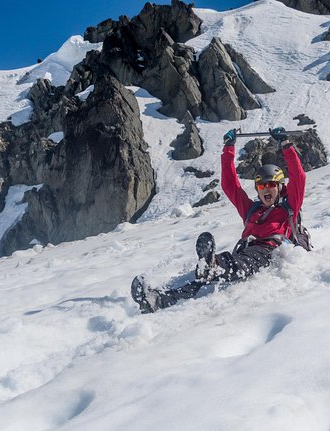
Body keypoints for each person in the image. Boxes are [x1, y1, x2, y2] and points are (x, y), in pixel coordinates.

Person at [131, 127, 306, 313]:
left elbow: (299, 178)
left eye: (270, 184)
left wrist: (286, 146)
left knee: (236, 263)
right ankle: (159, 300)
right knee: (201, 281)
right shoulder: (252, 210)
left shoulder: (289, 207)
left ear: (280, 187)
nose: (265, 189)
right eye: (261, 185)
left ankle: (214, 266)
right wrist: (228, 148)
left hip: (270, 252)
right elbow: (230, 186)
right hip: (247, 251)